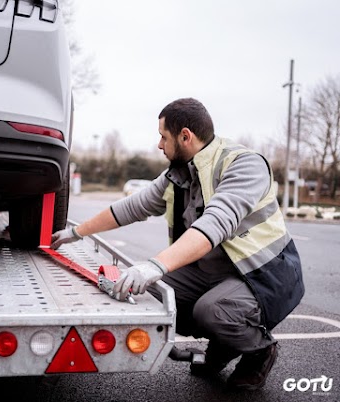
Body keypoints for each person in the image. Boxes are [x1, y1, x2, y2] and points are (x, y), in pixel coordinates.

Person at [51, 97, 304, 391]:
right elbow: (132, 207)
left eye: (163, 136)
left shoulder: (244, 164)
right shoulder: (179, 173)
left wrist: (155, 265)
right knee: (156, 295)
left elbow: (216, 223)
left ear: (186, 136)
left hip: (262, 275)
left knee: (213, 311)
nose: (159, 145)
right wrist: (77, 232)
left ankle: (259, 350)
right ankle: (223, 344)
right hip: (214, 271)